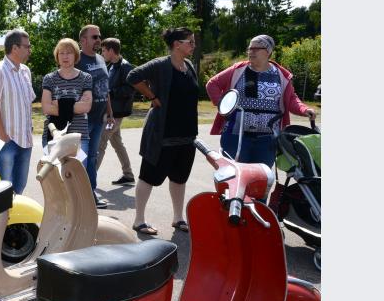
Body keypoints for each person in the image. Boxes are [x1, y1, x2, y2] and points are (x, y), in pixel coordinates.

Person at [126, 28, 199, 235]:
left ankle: (178, 218)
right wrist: (151, 96)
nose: (193, 45)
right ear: (177, 44)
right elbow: (132, 76)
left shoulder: (189, 66)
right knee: (148, 177)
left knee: (180, 178)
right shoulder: (160, 64)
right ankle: (139, 220)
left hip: (186, 135)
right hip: (162, 134)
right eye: (190, 42)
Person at [206, 34, 316, 167]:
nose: (251, 52)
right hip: (236, 137)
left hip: (267, 140)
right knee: (234, 175)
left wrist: (304, 109)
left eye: (256, 48)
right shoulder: (238, 70)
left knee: (262, 177)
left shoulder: (281, 75)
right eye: (249, 48)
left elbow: (292, 99)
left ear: (268, 51)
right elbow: (212, 84)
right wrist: (224, 105)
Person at [0, 29, 36, 194]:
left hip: (25, 140)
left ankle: (15, 211)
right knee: (3, 190)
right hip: (7, 141)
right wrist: (3, 136)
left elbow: (27, 102)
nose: (30, 50)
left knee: (19, 187)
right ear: (15, 48)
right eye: (27, 46)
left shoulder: (25, 71)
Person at [77, 25, 116, 208]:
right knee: (81, 158)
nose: (99, 40)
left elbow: (105, 88)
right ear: (83, 40)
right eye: (94, 37)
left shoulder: (100, 59)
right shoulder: (76, 59)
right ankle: (79, 196)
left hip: (99, 119)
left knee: (92, 157)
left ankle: (91, 192)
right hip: (82, 120)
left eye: (99, 36)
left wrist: (110, 112)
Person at [40, 39, 93, 150]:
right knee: (53, 163)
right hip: (53, 136)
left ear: (75, 55)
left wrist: (57, 103)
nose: (65, 56)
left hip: (79, 137)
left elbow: (86, 107)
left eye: (69, 53)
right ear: (57, 56)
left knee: (78, 164)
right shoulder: (49, 78)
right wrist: (74, 106)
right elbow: (46, 108)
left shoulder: (86, 78)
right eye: (61, 53)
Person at [97, 37, 135, 185]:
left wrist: (111, 92)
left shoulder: (125, 67)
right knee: (117, 143)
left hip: (116, 115)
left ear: (111, 51)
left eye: (104, 50)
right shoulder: (112, 66)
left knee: (100, 142)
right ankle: (128, 174)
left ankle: (87, 178)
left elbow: (130, 89)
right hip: (112, 112)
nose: (102, 53)